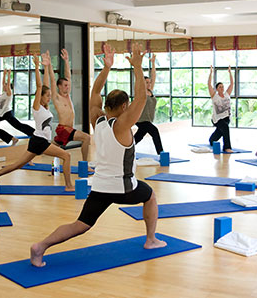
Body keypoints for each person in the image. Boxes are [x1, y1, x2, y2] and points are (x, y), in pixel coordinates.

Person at [29, 43, 166, 268]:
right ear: (124, 106)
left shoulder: (97, 119)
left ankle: (40, 247)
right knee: (150, 196)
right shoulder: (121, 126)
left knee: (81, 223)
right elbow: (141, 99)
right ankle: (150, 240)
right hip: (123, 187)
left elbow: (94, 93)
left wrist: (107, 68)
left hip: (100, 186)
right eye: (128, 105)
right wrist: (138, 68)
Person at [0, 52, 74, 192]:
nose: (50, 98)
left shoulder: (44, 107)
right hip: (40, 141)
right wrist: (37, 66)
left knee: (17, 165)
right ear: (41, 97)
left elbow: (45, 86)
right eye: (48, 96)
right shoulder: (37, 107)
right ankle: (69, 186)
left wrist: (46, 67)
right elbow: (40, 87)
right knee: (66, 155)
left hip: (37, 140)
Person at [51, 48, 91, 162]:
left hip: (67, 129)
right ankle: (84, 163)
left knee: (47, 148)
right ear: (59, 86)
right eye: (65, 86)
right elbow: (53, 81)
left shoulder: (68, 96)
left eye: (68, 86)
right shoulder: (57, 97)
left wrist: (67, 60)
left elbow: (68, 76)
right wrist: (48, 66)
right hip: (64, 129)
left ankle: (29, 156)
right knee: (87, 138)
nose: (67, 87)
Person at [0, 68, 35, 137]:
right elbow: (3, 83)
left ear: (8, 87)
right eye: (4, 85)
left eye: (6, 85)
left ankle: (32, 132)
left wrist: (8, 75)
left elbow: (8, 85)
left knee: (18, 126)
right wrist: (4, 74)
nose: (4, 86)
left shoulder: (9, 94)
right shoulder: (3, 93)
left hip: (7, 113)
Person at [133, 54, 164, 154]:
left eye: (149, 82)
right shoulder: (140, 92)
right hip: (140, 119)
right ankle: (161, 153)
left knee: (139, 136)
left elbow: (154, 76)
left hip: (147, 119)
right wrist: (137, 65)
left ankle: (125, 149)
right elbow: (138, 77)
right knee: (154, 131)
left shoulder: (150, 91)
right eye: (146, 82)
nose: (149, 84)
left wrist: (153, 63)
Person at [207, 65, 234, 153]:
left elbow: (232, 83)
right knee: (225, 128)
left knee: (220, 132)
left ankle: (212, 140)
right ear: (217, 89)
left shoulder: (227, 94)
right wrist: (211, 73)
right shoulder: (214, 96)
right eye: (220, 87)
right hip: (217, 119)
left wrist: (230, 73)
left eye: (222, 86)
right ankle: (227, 147)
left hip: (227, 118)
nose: (222, 88)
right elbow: (209, 84)